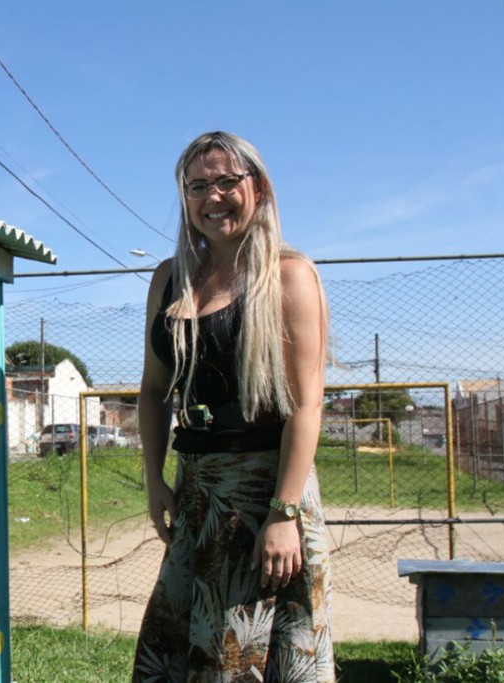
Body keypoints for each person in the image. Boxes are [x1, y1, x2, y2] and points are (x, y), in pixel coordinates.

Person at [133, 131, 334, 682]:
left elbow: (306, 407)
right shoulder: (169, 279)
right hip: (197, 494)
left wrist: (283, 514)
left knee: (241, 661)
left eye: (226, 181)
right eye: (197, 186)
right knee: (170, 655)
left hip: (266, 500)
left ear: (259, 188)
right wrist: (155, 482)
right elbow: (153, 391)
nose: (212, 197)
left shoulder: (289, 276)